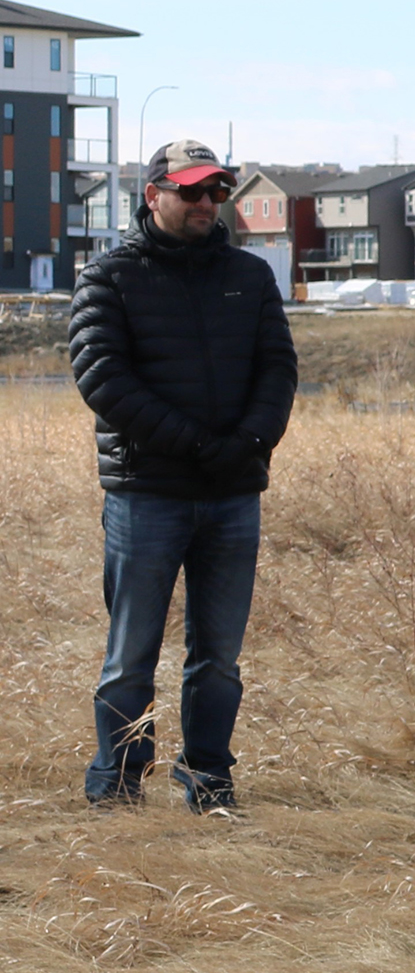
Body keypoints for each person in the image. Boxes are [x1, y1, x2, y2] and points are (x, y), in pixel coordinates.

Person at [68, 139, 298, 811]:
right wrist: (198, 445)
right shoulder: (109, 277)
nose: (206, 203)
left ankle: (209, 778)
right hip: (147, 496)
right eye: (192, 191)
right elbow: (103, 379)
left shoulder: (250, 277)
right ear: (154, 195)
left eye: (216, 191)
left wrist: (250, 441)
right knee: (131, 654)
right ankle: (116, 783)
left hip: (231, 497)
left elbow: (278, 369)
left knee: (219, 657)